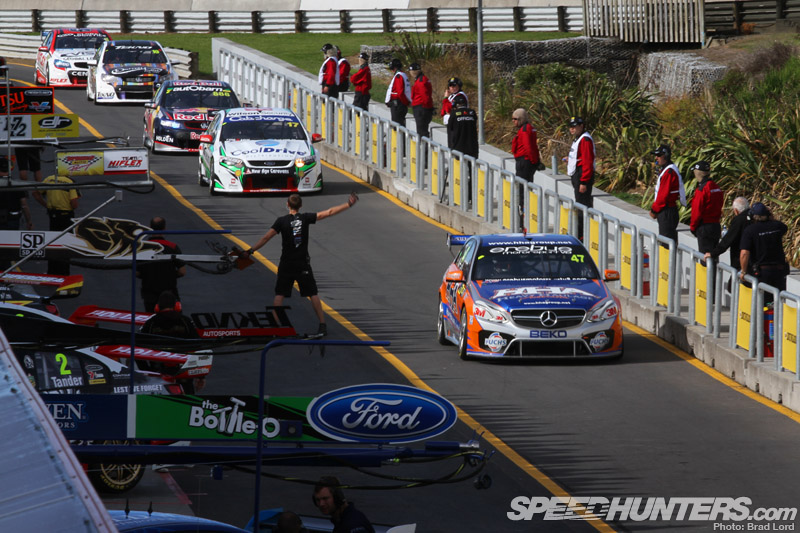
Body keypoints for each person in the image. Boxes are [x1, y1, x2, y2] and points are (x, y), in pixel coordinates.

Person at [240, 192, 359, 337]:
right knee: (312, 294)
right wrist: (348, 204)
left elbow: (266, 237)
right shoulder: (305, 218)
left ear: (287, 205)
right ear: (300, 206)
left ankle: (274, 328)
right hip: (302, 264)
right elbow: (328, 212)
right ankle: (322, 325)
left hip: (286, 264)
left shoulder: (281, 221)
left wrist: (250, 251)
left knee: (280, 295)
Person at [140, 291, 205, 394]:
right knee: (187, 401)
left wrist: (146, 371)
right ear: (177, 306)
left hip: (157, 374)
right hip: (183, 373)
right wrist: (200, 376)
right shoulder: (185, 321)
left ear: (157, 307)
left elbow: (137, 348)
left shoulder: (150, 323)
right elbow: (198, 347)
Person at [32, 172, 80, 274]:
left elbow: (35, 193)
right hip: (66, 217)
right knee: (65, 245)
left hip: (53, 215)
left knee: (52, 243)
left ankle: (52, 271)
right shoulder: (70, 182)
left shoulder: (49, 179)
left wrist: (46, 205)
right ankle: (64, 272)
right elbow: (74, 204)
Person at [135, 216, 186, 313]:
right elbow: (182, 271)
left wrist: (150, 275)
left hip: (149, 292)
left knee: (151, 318)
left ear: (150, 228)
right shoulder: (172, 247)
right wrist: (169, 275)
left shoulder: (142, 248)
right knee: (173, 319)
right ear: (164, 229)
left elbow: (136, 272)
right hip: (169, 293)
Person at [739, 202, 789, 295]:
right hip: (779, 271)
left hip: (762, 272)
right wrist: (771, 217)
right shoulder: (777, 226)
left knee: (762, 300)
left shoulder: (750, 230)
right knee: (778, 299)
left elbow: (744, 253)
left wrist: (743, 271)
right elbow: (784, 227)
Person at [564, 116, 595, 240]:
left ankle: (581, 236)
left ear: (581, 126)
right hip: (577, 174)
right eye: (570, 127)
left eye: (574, 126)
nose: (572, 129)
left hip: (582, 176)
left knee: (582, 207)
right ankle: (579, 233)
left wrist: (584, 182)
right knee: (579, 205)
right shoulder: (578, 139)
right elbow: (579, 157)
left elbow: (587, 162)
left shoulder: (585, 140)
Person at [649, 144, 686, 244]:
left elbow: (663, 196)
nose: (656, 158)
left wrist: (654, 210)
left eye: (659, 155)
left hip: (667, 212)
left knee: (666, 244)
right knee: (666, 241)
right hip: (667, 211)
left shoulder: (669, 172)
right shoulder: (668, 170)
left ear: (665, 156)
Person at [704, 196, 751, 272]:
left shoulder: (739, 220)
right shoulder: (755, 217)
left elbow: (728, 240)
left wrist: (713, 253)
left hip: (741, 261)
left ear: (736, 211)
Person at [447, 94, 478, 205]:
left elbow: (450, 131)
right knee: (472, 174)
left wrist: (450, 147)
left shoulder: (454, 114)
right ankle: (471, 197)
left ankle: (459, 196)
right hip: (472, 148)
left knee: (458, 174)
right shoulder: (472, 113)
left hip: (458, 148)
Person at [511, 108, 540, 227]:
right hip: (527, 163)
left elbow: (528, 148)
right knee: (525, 190)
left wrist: (533, 161)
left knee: (522, 192)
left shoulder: (524, 130)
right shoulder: (529, 128)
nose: (513, 121)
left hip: (524, 163)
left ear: (521, 119)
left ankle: (522, 222)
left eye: (515, 119)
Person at [688, 160, 723, 255]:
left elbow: (697, 211)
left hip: (705, 228)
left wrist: (693, 227)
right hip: (715, 226)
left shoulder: (702, 189)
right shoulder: (716, 187)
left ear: (698, 172)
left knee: (705, 257)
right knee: (713, 256)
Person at [409, 62, 433, 139]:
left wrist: (426, 108)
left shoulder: (421, 81)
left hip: (421, 108)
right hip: (422, 107)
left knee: (422, 131)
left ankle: (424, 146)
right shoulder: (422, 79)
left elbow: (424, 95)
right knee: (421, 130)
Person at [384, 58, 410, 127]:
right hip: (399, 104)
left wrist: (406, 103)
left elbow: (400, 92)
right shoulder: (403, 75)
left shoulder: (399, 76)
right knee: (399, 125)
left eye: (392, 68)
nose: (392, 71)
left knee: (397, 126)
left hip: (398, 105)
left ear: (395, 68)